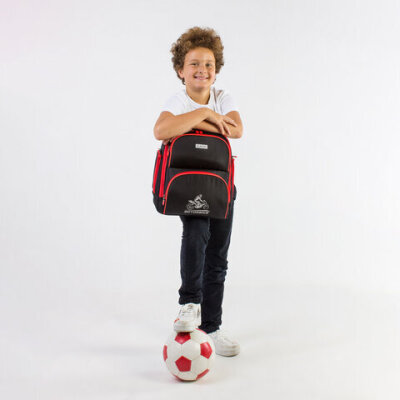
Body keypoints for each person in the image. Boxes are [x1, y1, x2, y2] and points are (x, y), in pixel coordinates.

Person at [153, 27, 243, 357]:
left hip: (221, 188)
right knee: (196, 233)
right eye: (194, 64)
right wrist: (206, 113)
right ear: (181, 70)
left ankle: (212, 327)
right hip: (189, 186)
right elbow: (161, 129)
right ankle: (189, 303)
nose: (202, 70)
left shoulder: (223, 96)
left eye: (208, 64)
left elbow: (236, 129)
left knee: (217, 257)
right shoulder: (178, 100)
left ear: (216, 70)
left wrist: (194, 119)